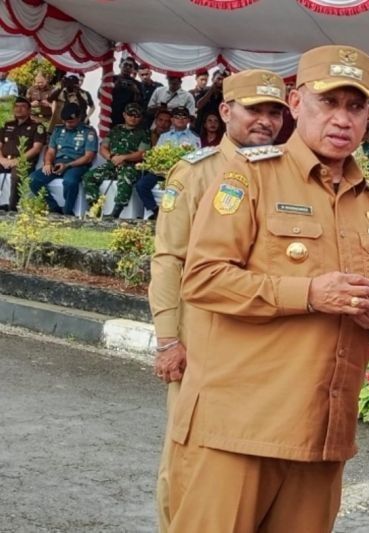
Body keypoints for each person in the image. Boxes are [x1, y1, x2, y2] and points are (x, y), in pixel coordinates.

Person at [166, 45, 369, 531]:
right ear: (297, 104)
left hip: (322, 437)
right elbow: (203, 277)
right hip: (239, 430)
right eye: (328, 103)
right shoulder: (249, 176)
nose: (342, 119)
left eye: (356, 107)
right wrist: (309, 294)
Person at [148, 68, 288, 532]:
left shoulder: (284, 173)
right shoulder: (197, 172)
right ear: (226, 111)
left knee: (247, 462)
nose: (265, 121)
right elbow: (169, 258)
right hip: (201, 340)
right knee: (187, 456)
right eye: (254, 110)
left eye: (274, 112)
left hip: (259, 341)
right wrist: (169, 338)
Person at [83, 102, 150, 218]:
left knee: (126, 177)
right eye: (130, 115)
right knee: (89, 176)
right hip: (112, 163)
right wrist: (111, 158)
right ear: (124, 115)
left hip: (131, 166)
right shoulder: (115, 129)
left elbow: (142, 153)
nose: (133, 118)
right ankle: (95, 207)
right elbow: (103, 147)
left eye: (137, 116)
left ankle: (116, 212)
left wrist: (124, 157)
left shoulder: (144, 133)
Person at [30, 103, 97, 216]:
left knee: (70, 182)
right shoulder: (58, 130)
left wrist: (68, 165)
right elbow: (51, 151)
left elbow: (88, 157)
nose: (67, 124)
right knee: (33, 179)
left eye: (71, 121)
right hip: (57, 163)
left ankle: (67, 211)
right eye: (65, 121)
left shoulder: (88, 132)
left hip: (77, 165)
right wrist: (47, 163)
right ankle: (54, 207)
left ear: (79, 118)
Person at [134, 106, 200, 219]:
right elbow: (157, 155)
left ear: (188, 120)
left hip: (183, 173)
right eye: (177, 117)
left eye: (184, 117)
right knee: (141, 185)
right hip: (162, 173)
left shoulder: (194, 138)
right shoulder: (164, 137)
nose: (180, 119)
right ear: (172, 120)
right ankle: (155, 211)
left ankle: (180, 216)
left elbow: (197, 159)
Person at [0, 97, 47, 211]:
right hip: (4, 160)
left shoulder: (37, 127)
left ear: (29, 110)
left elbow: (36, 149)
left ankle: (12, 208)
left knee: (17, 176)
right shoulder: (7, 125)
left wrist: (18, 161)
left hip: (24, 162)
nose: (19, 109)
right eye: (16, 106)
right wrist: (2, 159)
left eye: (23, 106)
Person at [110, 58, 143, 127]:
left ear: (133, 69)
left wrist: (136, 91)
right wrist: (114, 86)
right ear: (120, 66)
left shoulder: (137, 84)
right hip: (111, 115)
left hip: (129, 118)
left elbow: (140, 104)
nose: (127, 67)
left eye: (130, 66)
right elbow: (100, 95)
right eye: (125, 65)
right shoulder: (111, 79)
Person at [194, 68, 228, 134]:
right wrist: (211, 90)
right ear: (212, 80)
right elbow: (198, 105)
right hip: (201, 129)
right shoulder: (203, 91)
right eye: (219, 79)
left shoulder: (225, 95)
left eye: (224, 80)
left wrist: (224, 93)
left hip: (218, 131)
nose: (221, 82)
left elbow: (224, 110)